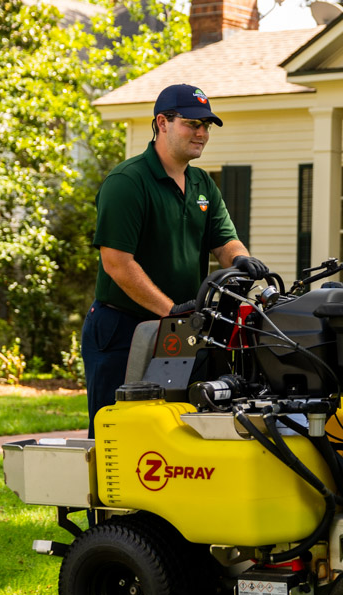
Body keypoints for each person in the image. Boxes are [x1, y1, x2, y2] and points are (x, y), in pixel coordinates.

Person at [82, 83, 270, 435]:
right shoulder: (127, 182)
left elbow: (225, 240)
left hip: (182, 327)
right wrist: (170, 310)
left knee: (176, 429)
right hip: (124, 328)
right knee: (116, 434)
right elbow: (117, 264)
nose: (201, 133)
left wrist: (242, 260)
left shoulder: (202, 184)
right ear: (162, 123)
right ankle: (103, 494)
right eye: (191, 123)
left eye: (206, 126)